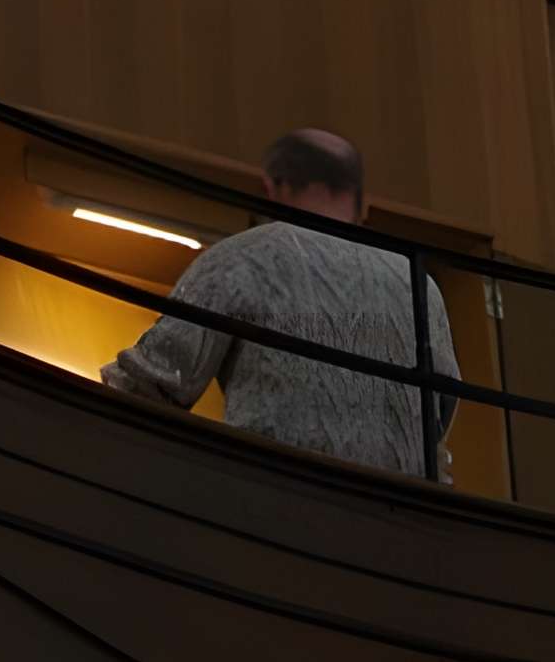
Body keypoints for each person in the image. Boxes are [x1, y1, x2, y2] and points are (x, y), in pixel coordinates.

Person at [99, 127, 458, 481]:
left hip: (272, 502)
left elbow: (149, 384)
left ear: (271, 188)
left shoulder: (243, 257)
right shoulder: (418, 284)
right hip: (399, 520)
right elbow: (437, 424)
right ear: (362, 204)